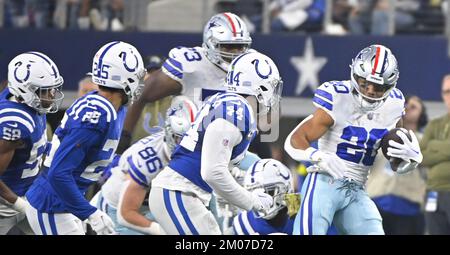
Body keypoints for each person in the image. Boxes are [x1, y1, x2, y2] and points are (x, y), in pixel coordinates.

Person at [284, 44, 423, 235]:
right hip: (324, 183)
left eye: (379, 87)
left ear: (390, 86)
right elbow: (294, 140)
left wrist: (407, 162)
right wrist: (317, 156)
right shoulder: (338, 97)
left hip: (357, 189)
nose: (370, 90)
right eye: (365, 83)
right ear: (354, 74)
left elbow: (392, 155)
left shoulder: (394, 105)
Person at [148, 51, 283, 234]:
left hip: (185, 193)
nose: (274, 94)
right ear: (259, 86)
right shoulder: (235, 111)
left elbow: (214, 163)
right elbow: (212, 172)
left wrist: (243, 185)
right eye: (272, 86)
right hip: (179, 191)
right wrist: (252, 201)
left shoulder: (231, 104)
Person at [25, 41, 146, 235]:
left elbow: (97, 156)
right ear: (123, 76)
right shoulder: (96, 116)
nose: (141, 81)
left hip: (67, 202)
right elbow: (58, 173)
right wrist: (91, 213)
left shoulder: (115, 107)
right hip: (51, 205)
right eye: (137, 76)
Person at [119, 12, 252, 150]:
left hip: (227, 149)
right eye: (229, 47)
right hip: (186, 149)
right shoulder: (192, 66)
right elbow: (142, 94)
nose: (235, 52)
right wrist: (124, 137)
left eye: (240, 46)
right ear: (211, 43)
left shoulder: (249, 69)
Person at [95, 96, 197, 235]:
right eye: (181, 139)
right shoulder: (150, 160)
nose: (187, 146)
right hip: (118, 210)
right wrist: (163, 232)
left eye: (194, 139)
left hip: (153, 207)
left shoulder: (199, 150)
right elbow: (126, 214)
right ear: (169, 133)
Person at [0, 52, 64, 235]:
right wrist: (20, 205)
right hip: (4, 204)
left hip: (28, 194)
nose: (52, 95)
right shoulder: (15, 122)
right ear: (26, 91)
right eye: (45, 90)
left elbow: (36, 149)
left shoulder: (31, 105)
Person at [367, 95, 428, 235]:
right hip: (375, 202)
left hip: (409, 207)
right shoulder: (381, 135)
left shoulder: (425, 141)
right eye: (406, 104)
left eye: (414, 107)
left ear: (421, 115)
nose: (408, 108)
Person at [228, 159, 299, 235]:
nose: (260, 200)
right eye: (254, 194)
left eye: (267, 192)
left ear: (286, 189)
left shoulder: (303, 209)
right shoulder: (245, 224)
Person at [420, 74, 450, 235]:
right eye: (446, 92)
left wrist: (433, 144)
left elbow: (427, 150)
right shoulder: (435, 124)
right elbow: (421, 157)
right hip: (433, 192)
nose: (449, 96)